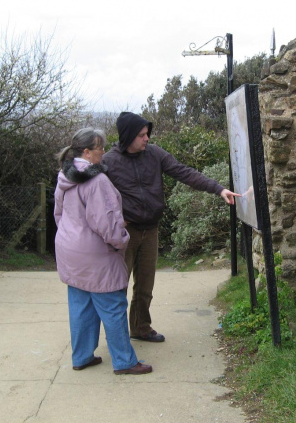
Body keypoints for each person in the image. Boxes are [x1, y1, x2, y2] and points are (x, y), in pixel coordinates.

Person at [102, 112, 240, 343]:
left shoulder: (154, 154)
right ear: (128, 137)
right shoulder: (109, 161)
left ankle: (141, 328)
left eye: (147, 134)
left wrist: (218, 189)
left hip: (151, 230)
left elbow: (184, 172)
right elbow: (94, 195)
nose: (147, 139)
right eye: (142, 135)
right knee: (118, 288)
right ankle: (117, 338)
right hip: (125, 234)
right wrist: (113, 220)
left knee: (145, 286)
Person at [54, 127, 152, 375]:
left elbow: (59, 214)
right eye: (100, 148)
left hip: (69, 250)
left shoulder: (64, 176)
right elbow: (107, 223)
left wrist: (71, 236)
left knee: (81, 305)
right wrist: (122, 240)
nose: (104, 152)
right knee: (112, 305)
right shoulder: (97, 181)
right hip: (96, 255)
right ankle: (124, 361)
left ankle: (82, 356)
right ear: (87, 152)